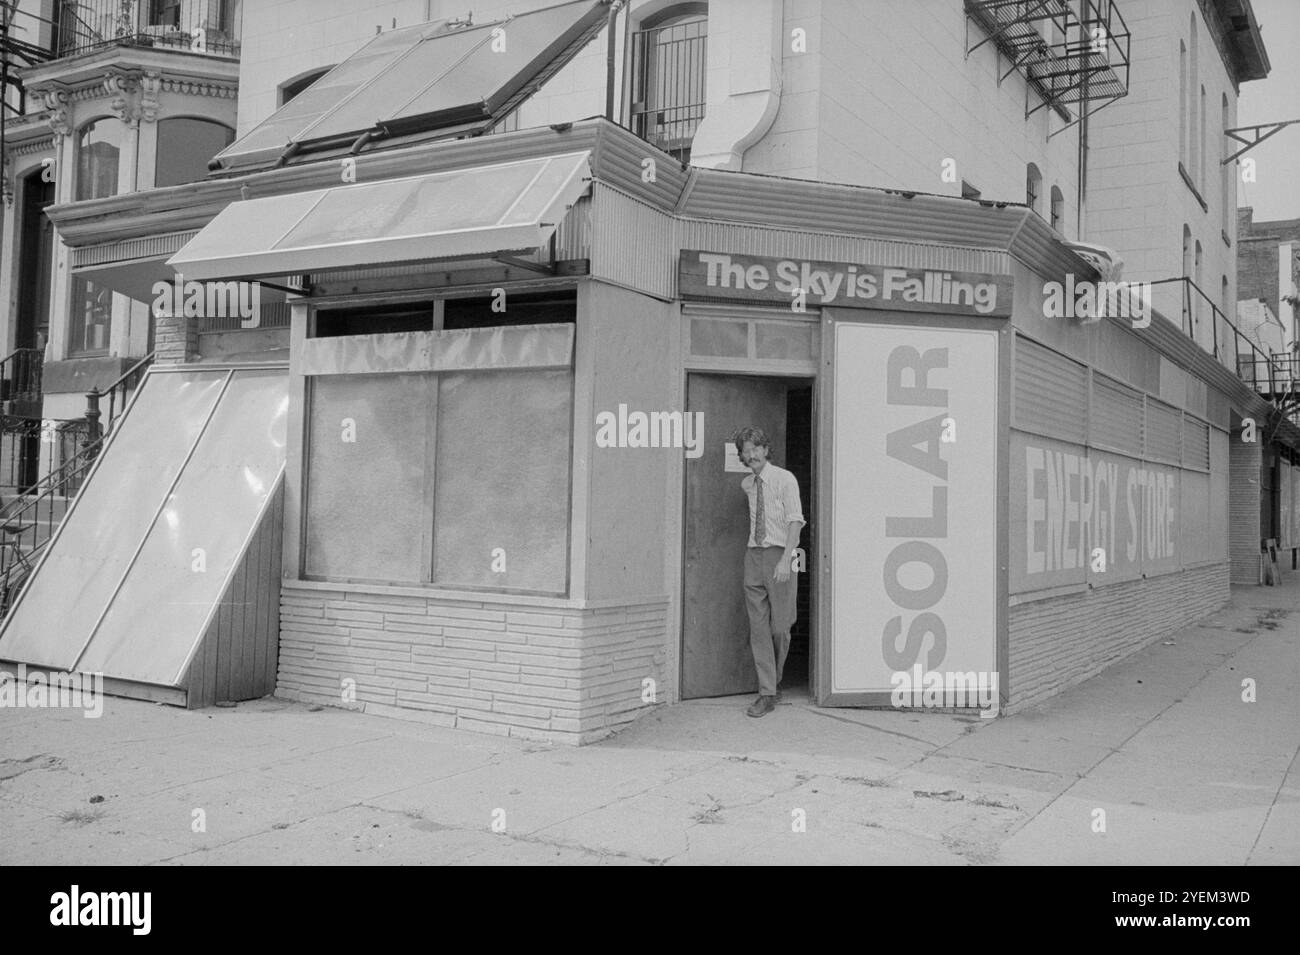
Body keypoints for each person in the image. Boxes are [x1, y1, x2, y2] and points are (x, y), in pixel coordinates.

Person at [733, 426, 804, 718]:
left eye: (756, 449)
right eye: (745, 452)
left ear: (765, 449)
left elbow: (796, 521)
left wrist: (786, 559)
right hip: (754, 555)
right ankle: (767, 693)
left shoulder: (785, 479)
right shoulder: (747, 485)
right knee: (759, 628)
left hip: (780, 554)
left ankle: (773, 679)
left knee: (780, 627)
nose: (751, 456)